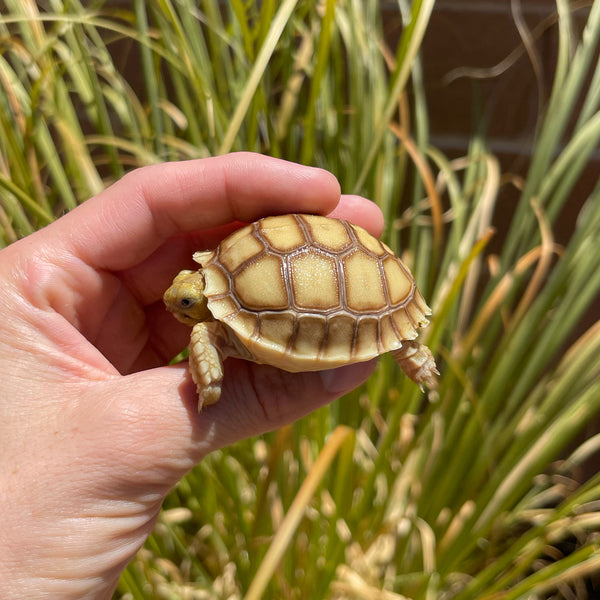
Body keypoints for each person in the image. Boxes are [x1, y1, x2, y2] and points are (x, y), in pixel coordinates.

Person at [0, 153, 383, 598]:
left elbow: (206, 335)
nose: (172, 304)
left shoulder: (207, 325)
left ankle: (409, 345)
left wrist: (212, 386)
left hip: (338, 291)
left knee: (206, 330)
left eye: (184, 303)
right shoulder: (223, 286)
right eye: (184, 295)